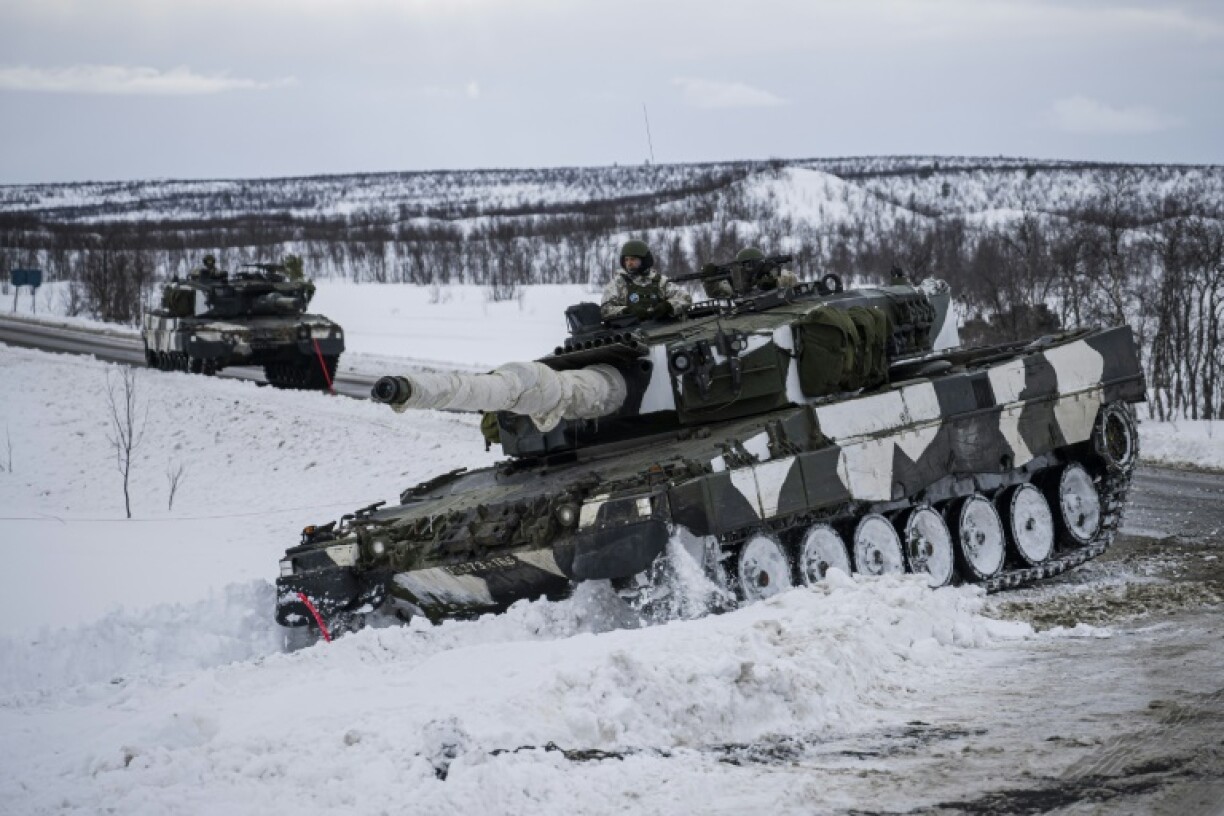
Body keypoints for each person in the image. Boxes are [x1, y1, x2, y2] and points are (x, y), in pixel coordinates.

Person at [600, 239, 691, 321]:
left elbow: (685, 298)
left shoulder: (660, 281)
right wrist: (627, 311)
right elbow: (605, 309)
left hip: (659, 328)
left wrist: (668, 306)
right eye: (626, 260)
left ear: (644, 260)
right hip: (629, 331)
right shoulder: (619, 283)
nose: (629, 263)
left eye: (633, 259)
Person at [702, 247, 799, 298]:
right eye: (742, 267)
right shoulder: (736, 284)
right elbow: (716, 292)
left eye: (750, 266)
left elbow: (789, 279)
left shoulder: (773, 275)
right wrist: (708, 281)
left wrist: (769, 280)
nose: (746, 270)